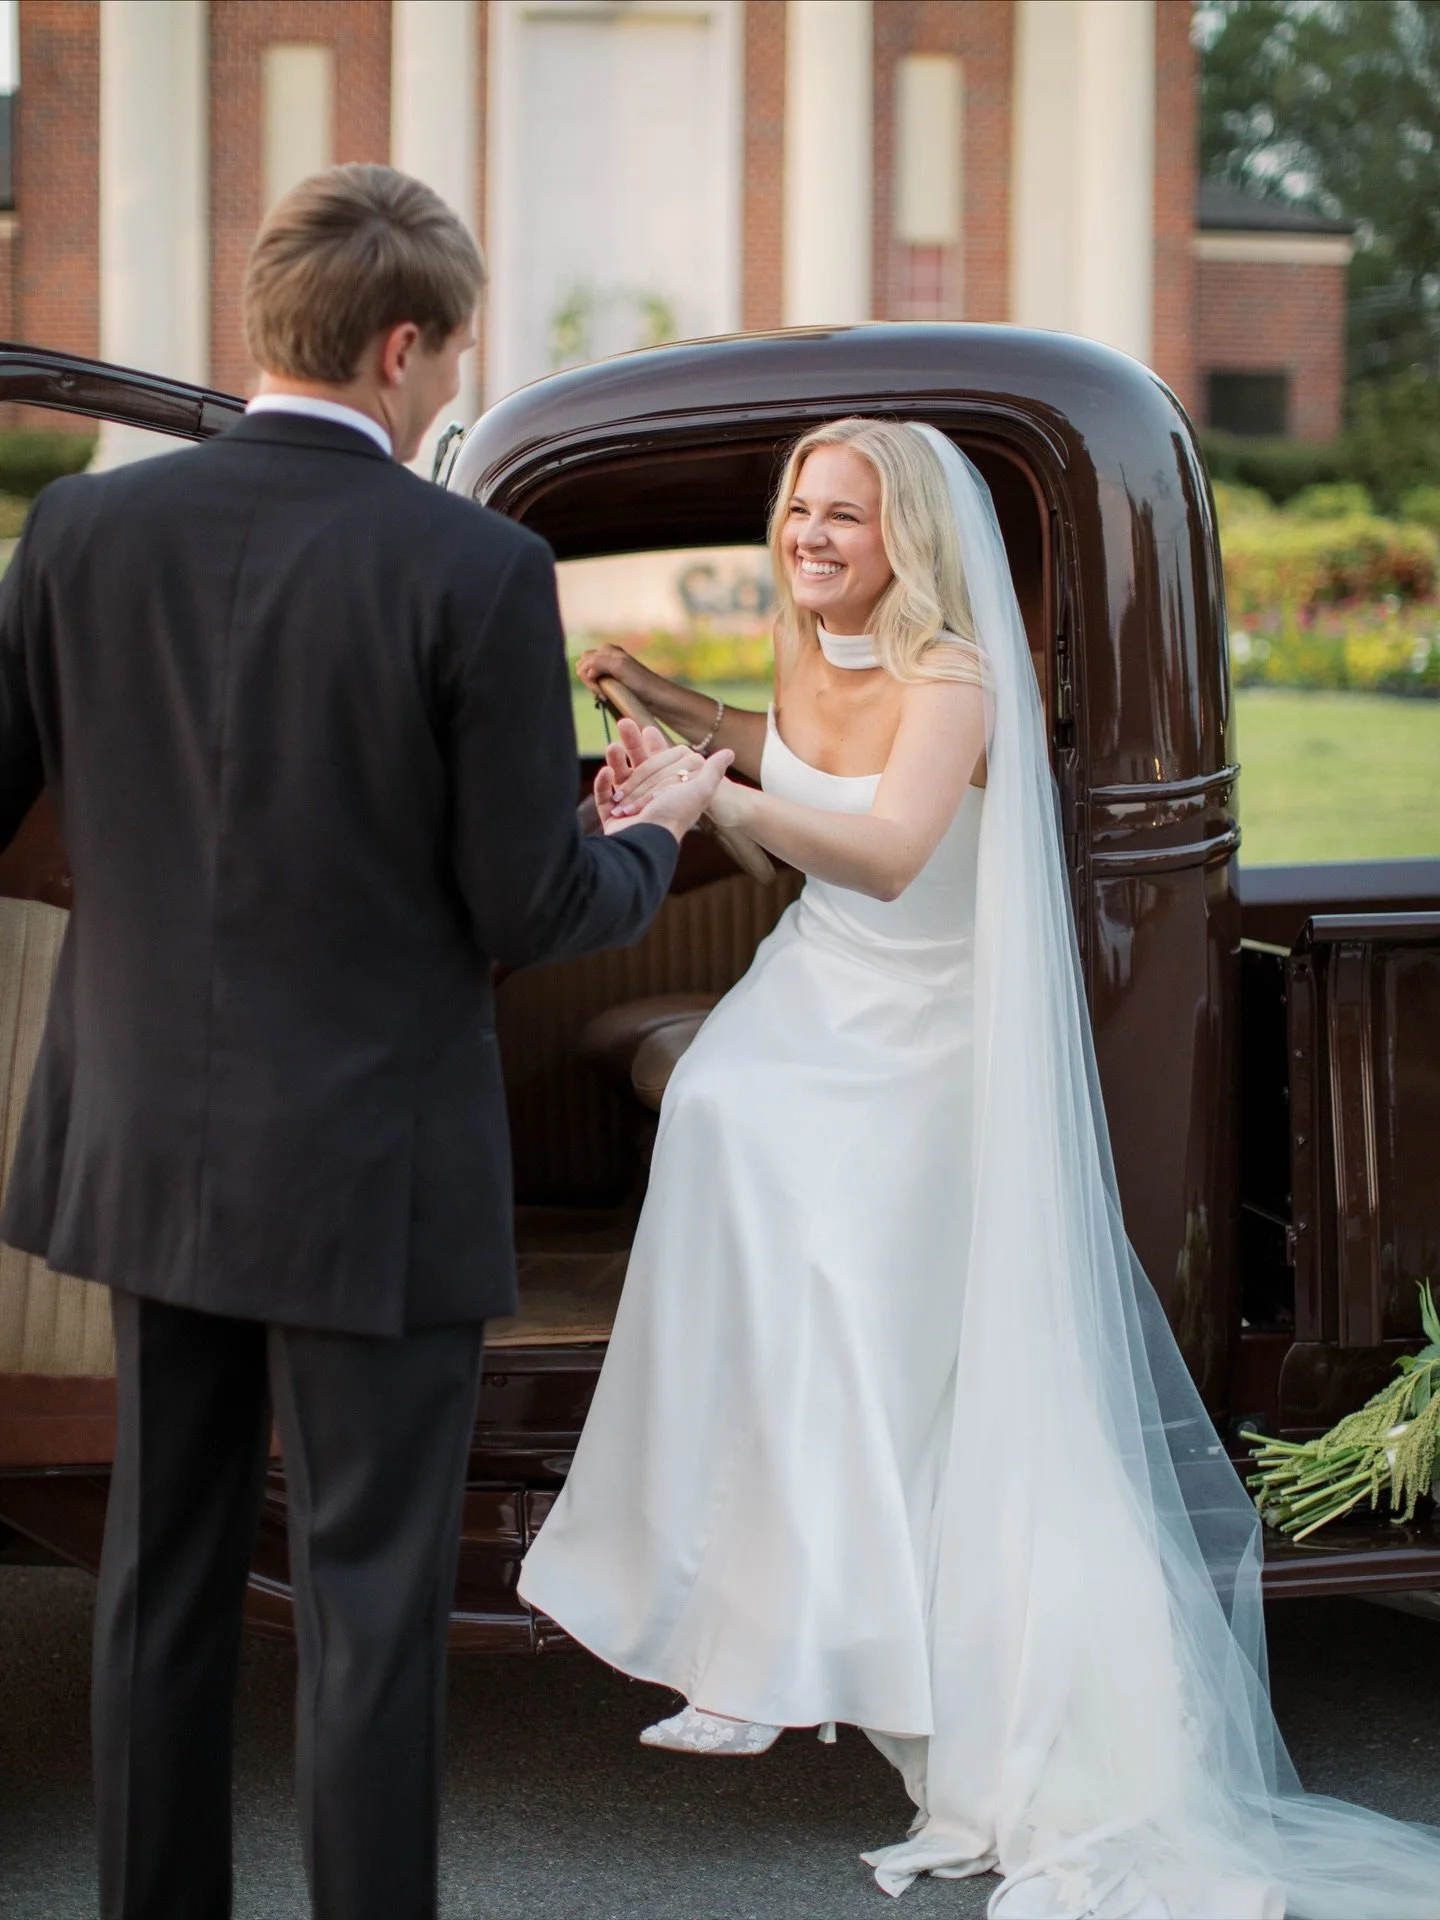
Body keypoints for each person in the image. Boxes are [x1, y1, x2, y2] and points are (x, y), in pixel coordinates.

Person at [519, 417, 1440, 1917]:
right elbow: (782, 791)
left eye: (847, 519)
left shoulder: (949, 673)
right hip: (812, 988)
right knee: (717, 1116)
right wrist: (659, 719)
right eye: (800, 510)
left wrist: (709, 803)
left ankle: (797, 1647)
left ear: (910, 544)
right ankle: (721, 1610)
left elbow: (882, 850)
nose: (812, 536)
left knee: (809, 1235)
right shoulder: (813, 641)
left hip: (922, 1021)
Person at [0, 164, 727, 1920]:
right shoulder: (476, 568)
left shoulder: (79, 540)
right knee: (369, 1608)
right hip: (366, 1176)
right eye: (451, 358)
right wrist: (655, 831)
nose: (446, 386)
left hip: (146, 1147)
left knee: (159, 1580)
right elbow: (528, 908)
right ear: (403, 347)